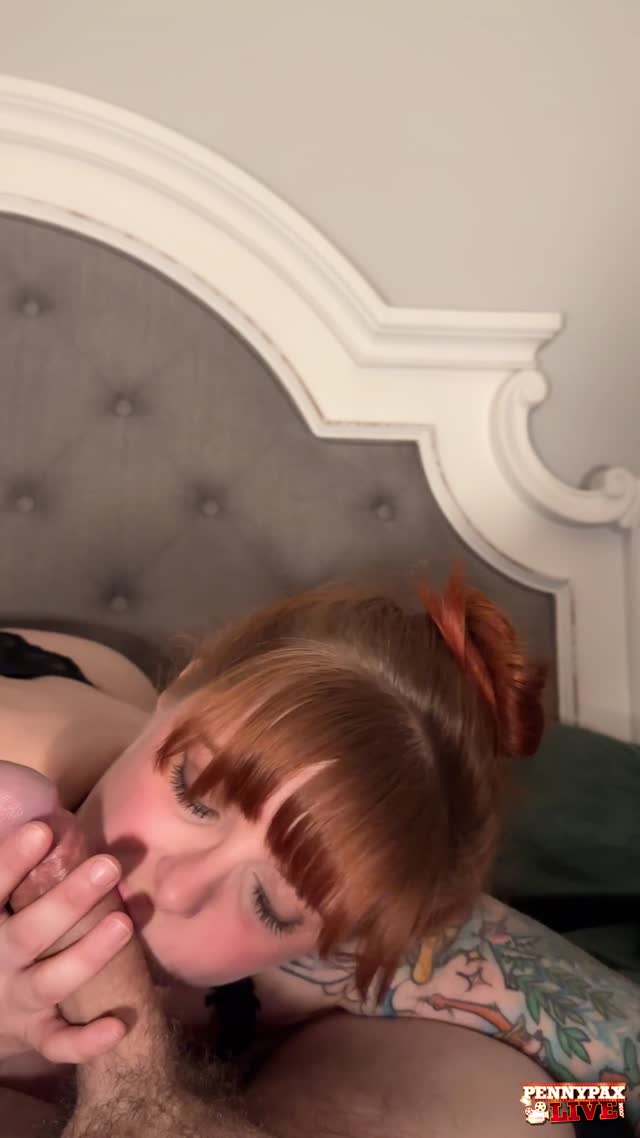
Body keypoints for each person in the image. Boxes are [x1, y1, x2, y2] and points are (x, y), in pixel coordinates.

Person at [0, 570, 637, 1137]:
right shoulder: (19, 792)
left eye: (270, 905)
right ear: (184, 685)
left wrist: (566, 1110)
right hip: (46, 689)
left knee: (516, 1112)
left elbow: (613, 1094)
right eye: (192, 795)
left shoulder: (376, 945)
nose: (175, 888)